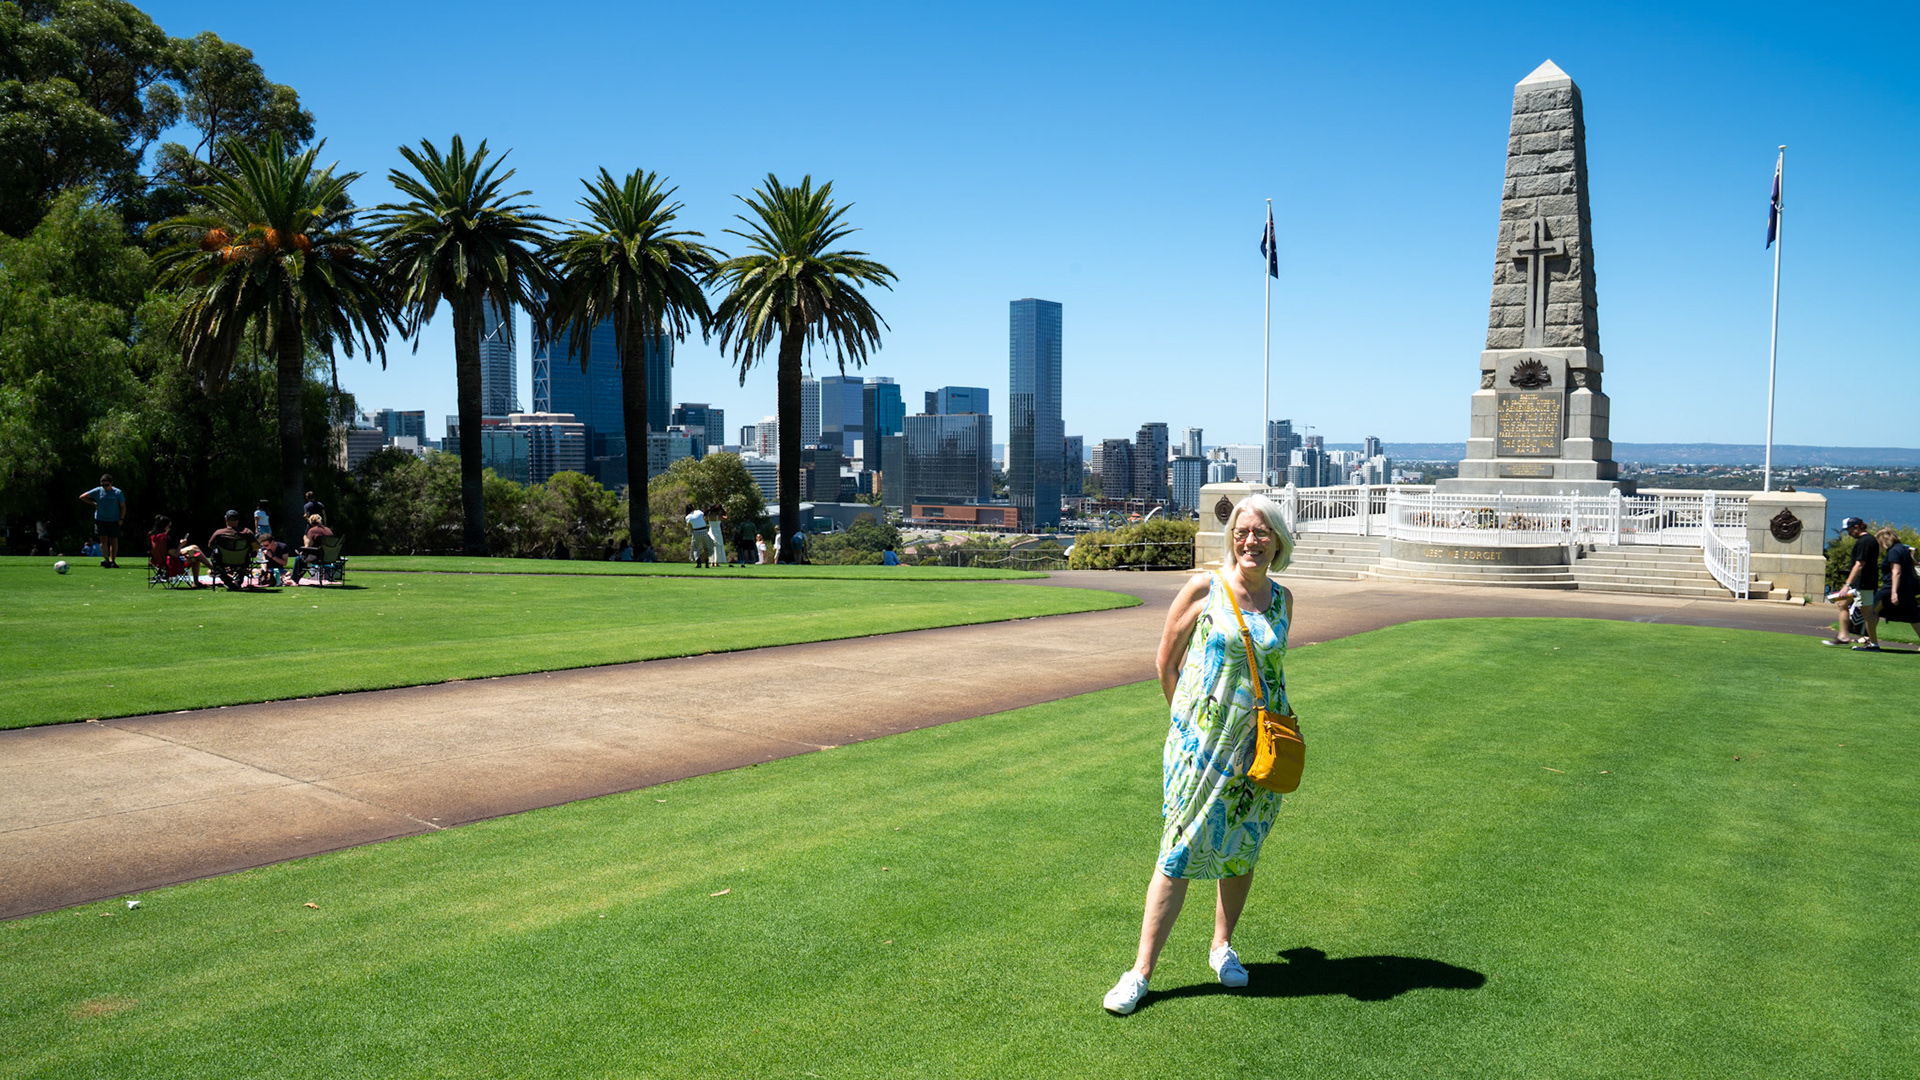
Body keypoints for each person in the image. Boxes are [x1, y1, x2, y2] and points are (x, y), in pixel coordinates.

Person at [1103, 493, 1296, 1016]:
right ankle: (1141, 972)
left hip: (1256, 754)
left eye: (1260, 533)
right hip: (1201, 750)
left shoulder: (1282, 600)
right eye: (1242, 532)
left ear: (1277, 540)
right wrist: (1189, 728)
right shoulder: (1205, 588)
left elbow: (1272, 673)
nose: (1250, 541)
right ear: (1231, 537)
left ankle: (1221, 946)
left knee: (1241, 846)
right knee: (1177, 853)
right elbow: (1165, 661)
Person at [1826, 518, 1881, 650]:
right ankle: (1843, 636)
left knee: (1867, 613)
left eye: (1850, 530)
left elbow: (1859, 564)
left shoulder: (1865, 541)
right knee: (1842, 603)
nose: (1849, 533)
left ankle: (1873, 643)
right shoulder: (1866, 540)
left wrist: (1847, 584)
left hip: (1863, 583)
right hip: (1859, 583)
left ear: (1856, 527)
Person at [1876, 527, 1918, 648]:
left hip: (1891, 587)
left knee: (1872, 610)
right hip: (1906, 587)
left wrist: (1894, 592)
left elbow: (1896, 572)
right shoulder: (1902, 549)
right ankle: (1869, 638)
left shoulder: (1894, 552)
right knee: (1913, 615)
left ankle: (1870, 639)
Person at [79, 474, 127, 567]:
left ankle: (112, 560)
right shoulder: (98, 491)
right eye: (103, 485)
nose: (105, 487)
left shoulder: (117, 492)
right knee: (103, 540)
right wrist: (93, 504)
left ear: (111, 483)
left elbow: (123, 506)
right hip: (100, 519)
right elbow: (82, 497)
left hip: (114, 519)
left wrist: (121, 519)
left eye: (107, 485)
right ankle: (106, 560)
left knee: (114, 540)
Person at [206, 510, 259, 589]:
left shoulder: (219, 533)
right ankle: (238, 581)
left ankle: (228, 582)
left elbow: (210, 546)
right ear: (238, 520)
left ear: (226, 520)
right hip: (242, 560)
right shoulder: (247, 532)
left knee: (215, 559)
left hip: (223, 560)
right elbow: (256, 546)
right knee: (248, 557)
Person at [291, 514, 333, 584]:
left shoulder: (312, 531)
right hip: (331, 556)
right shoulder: (328, 530)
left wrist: (305, 538)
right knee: (303, 557)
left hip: (318, 556)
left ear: (310, 522)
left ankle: (294, 579)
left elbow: (307, 546)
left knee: (299, 559)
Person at [685, 503, 711, 568]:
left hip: (696, 531)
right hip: (704, 530)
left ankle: (699, 563)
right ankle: (707, 563)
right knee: (705, 548)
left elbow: (690, 526)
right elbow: (704, 518)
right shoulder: (699, 512)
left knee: (695, 548)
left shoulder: (688, 517)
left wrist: (691, 532)